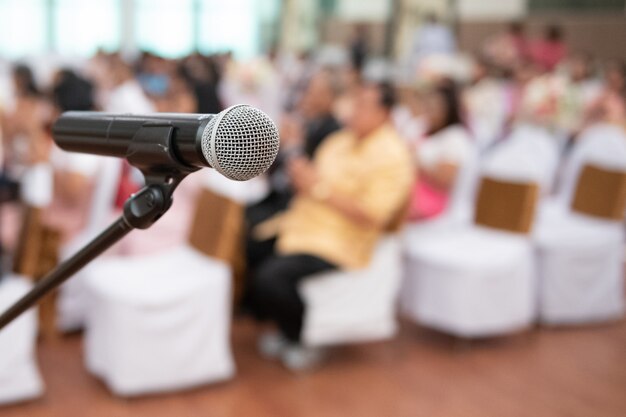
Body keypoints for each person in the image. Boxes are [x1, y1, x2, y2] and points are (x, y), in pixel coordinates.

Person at [248, 82, 413, 370]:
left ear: (385, 113)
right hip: (304, 223)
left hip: (341, 239)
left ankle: (299, 335)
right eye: (355, 103)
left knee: (272, 277)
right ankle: (281, 325)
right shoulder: (340, 141)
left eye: (364, 106)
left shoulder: (393, 156)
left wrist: (317, 187)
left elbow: (374, 215)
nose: (354, 111)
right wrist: (300, 177)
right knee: (250, 246)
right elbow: (312, 181)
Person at [409, 83, 472, 220]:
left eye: (434, 107)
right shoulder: (419, 126)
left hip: (433, 203)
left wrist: (416, 160)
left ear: (448, 109)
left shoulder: (455, 138)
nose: (429, 111)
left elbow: (445, 181)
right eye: (427, 106)